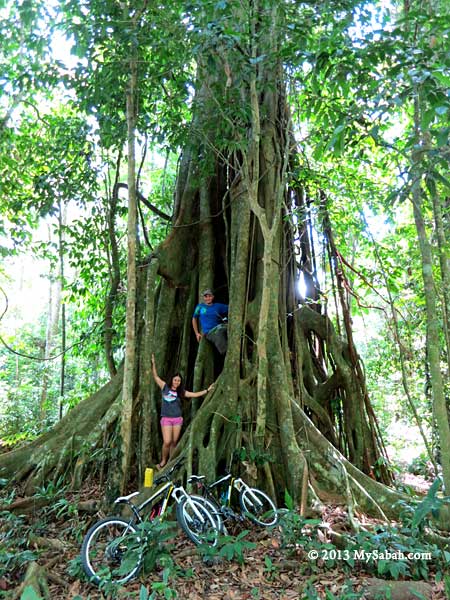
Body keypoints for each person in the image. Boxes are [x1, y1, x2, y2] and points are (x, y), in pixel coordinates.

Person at [151, 354, 213, 468]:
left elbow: (195, 394)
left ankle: (170, 462)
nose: (177, 382)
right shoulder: (165, 387)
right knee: (167, 441)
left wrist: (207, 390)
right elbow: (155, 377)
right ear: (172, 380)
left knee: (174, 442)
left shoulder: (181, 392)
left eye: (179, 381)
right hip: (166, 419)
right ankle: (163, 461)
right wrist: (153, 363)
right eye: (175, 380)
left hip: (177, 419)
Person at [192, 289, 228, 355]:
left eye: (210, 296)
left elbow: (231, 308)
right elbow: (194, 318)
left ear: (213, 297)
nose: (208, 298)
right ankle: (225, 352)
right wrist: (197, 333)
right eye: (206, 296)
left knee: (228, 327)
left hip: (219, 326)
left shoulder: (218, 306)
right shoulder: (200, 307)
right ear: (203, 298)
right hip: (209, 332)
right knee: (219, 333)